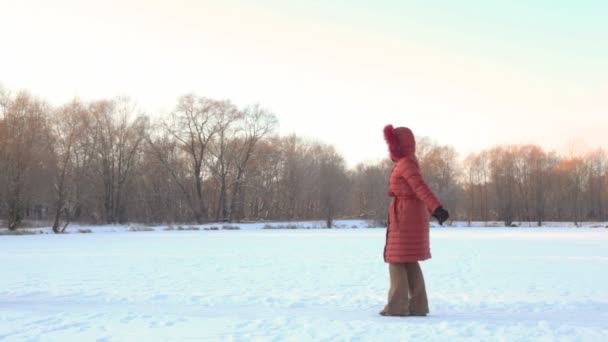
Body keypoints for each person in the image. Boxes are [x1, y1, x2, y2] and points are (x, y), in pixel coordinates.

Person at [379, 124, 449, 317]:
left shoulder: (405, 164)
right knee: (408, 260)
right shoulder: (408, 161)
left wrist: (437, 208)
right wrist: (434, 208)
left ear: (398, 145)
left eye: (391, 144)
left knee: (396, 260)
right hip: (409, 214)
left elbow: (420, 187)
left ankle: (397, 306)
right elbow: (419, 188)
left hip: (405, 216)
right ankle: (418, 306)